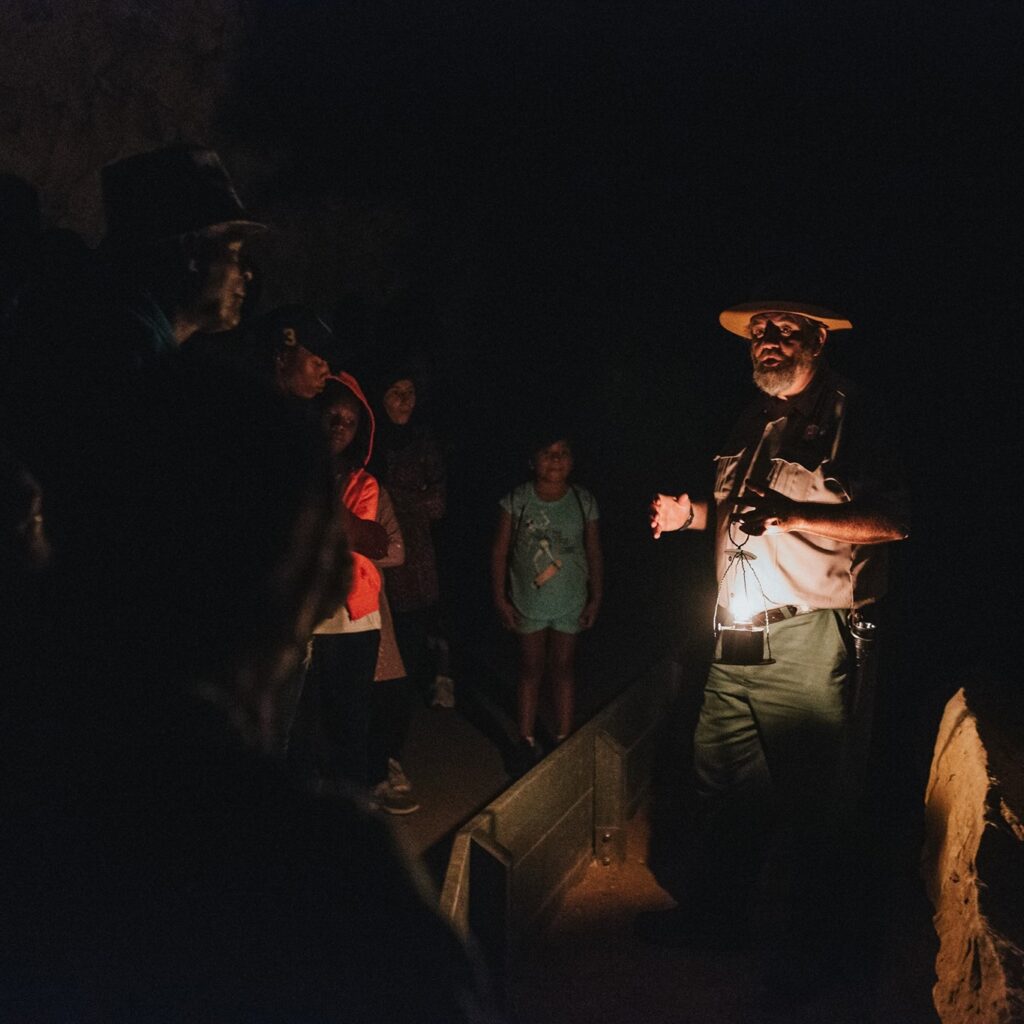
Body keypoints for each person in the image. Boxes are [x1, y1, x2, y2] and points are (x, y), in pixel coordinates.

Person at [640, 297, 909, 963]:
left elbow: (893, 521)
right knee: (721, 781)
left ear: (817, 339)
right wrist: (691, 514)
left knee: (817, 802)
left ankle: (817, 956)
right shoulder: (751, 416)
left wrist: (795, 515)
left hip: (810, 638)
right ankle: (717, 923)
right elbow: (740, 511)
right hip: (736, 633)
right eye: (759, 332)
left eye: (784, 331)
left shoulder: (851, 412)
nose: (767, 341)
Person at [491, 432, 603, 776]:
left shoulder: (583, 501)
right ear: (532, 460)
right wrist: (500, 597)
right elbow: (499, 551)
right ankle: (525, 738)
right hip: (529, 600)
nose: (555, 460)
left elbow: (594, 552)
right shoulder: (518, 500)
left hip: (570, 600)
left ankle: (563, 736)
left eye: (563, 452)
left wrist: (596, 596)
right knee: (530, 668)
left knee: (564, 668)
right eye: (547, 452)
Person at [369, 362, 453, 708]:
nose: (405, 401)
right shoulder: (370, 444)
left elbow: (437, 504)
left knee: (408, 653)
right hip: (374, 565)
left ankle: (392, 746)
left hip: (416, 565)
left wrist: (391, 494)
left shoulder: (423, 443)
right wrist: (409, 494)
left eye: (410, 393)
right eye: (395, 393)